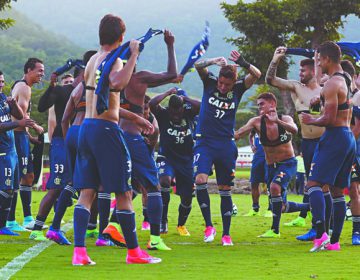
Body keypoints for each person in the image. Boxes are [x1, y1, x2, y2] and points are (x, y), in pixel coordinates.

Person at [72, 14, 159, 265]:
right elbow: (118, 84)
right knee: (123, 191)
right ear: (121, 36)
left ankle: (80, 253)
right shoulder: (116, 61)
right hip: (107, 131)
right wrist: (132, 55)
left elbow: (103, 100)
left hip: (87, 128)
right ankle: (134, 253)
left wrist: (137, 118)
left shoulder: (92, 62)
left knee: (87, 191)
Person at [107, 29, 177, 251]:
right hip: (132, 137)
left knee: (128, 187)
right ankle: (155, 239)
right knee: (153, 187)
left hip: (111, 136)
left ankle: (111, 226)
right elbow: (171, 74)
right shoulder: (139, 78)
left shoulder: (109, 79)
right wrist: (170, 44)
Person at [193, 50, 261, 245]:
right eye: (221, 83)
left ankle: (226, 234)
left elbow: (256, 75)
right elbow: (197, 65)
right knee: (200, 179)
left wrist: (243, 62)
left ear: (233, 83)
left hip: (225, 144)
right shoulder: (210, 82)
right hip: (204, 141)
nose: (222, 87)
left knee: (225, 189)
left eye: (226, 85)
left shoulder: (238, 89)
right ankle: (208, 226)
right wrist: (214, 60)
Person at [266, 47, 326, 241]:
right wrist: (275, 60)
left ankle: (325, 227)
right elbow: (271, 80)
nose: (300, 74)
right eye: (299, 71)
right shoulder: (295, 87)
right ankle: (318, 227)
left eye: (303, 71)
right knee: (312, 185)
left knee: (323, 185)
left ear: (314, 70)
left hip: (325, 141)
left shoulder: (325, 87)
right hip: (307, 143)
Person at [301, 41, 356, 251]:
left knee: (313, 184)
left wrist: (311, 119)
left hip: (335, 136)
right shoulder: (346, 78)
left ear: (326, 59)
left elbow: (329, 118)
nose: (317, 64)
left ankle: (321, 234)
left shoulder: (332, 84)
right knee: (337, 191)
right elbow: (339, 105)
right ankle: (334, 243)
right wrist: (322, 98)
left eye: (318, 60)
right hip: (347, 138)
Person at [28, 54, 88, 241]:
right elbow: (42, 107)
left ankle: (93, 227)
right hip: (62, 142)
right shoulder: (64, 91)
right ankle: (38, 229)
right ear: (82, 73)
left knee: (88, 185)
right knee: (57, 186)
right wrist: (52, 86)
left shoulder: (89, 91)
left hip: (80, 142)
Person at [235, 92, 309, 238]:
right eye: (258, 105)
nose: (259, 107)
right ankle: (313, 207)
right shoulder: (256, 122)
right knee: (281, 206)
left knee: (275, 187)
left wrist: (277, 121)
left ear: (272, 104)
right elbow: (239, 133)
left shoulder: (285, 119)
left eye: (262, 104)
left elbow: (294, 130)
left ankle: (275, 231)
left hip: (287, 164)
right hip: (270, 167)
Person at [150, 87, 200, 236]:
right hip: (167, 157)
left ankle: (181, 225)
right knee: (164, 181)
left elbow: (202, 107)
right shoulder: (164, 114)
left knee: (187, 195)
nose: (175, 115)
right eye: (173, 112)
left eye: (178, 112)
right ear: (169, 108)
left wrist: (186, 99)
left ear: (183, 108)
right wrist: (166, 93)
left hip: (186, 160)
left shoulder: (189, 113)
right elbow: (152, 104)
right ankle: (162, 221)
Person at [7, 58, 45, 232]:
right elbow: (20, 116)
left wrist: (29, 137)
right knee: (20, 177)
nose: (41, 74)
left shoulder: (23, 87)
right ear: (29, 70)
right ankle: (13, 220)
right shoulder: (23, 87)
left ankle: (24, 218)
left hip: (21, 135)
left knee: (27, 176)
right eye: (39, 70)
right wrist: (36, 127)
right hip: (16, 135)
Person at [0, 74, 36, 235]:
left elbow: (20, 115)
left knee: (12, 189)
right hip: (2, 151)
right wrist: (18, 124)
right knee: (5, 188)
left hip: (11, 148)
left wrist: (13, 103)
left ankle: (3, 226)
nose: (2, 84)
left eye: (2, 81)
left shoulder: (2, 97)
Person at [340, 59, 360, 245]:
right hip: (342, 146)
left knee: (354, 190)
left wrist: (345, 144)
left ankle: (356, 232)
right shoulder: (335, 92)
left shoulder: (356, 96)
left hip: (352, 149)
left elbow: (357, 127)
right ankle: (326, 229)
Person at [243, 129, 271, 217]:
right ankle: (255, 209)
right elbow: (250, 135)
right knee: (254, 182)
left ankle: (271, 209)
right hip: (258, 157)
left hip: (270, 156)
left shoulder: (274, 122)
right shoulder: (256, 123)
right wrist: (252, 145)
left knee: (270, 184)